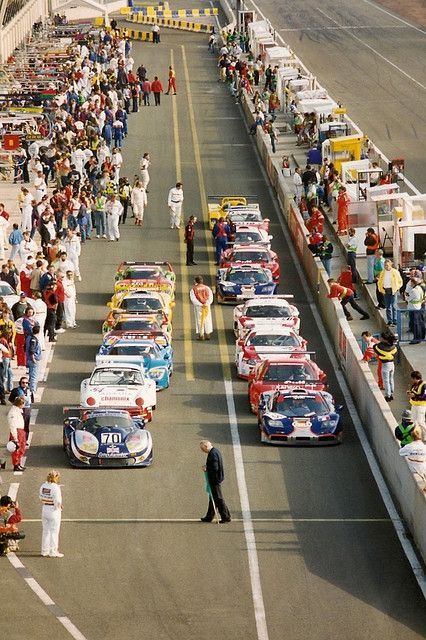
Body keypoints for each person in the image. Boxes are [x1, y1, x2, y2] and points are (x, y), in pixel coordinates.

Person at [199, 441, 231, 523]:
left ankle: (225, 516)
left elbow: (215, 468)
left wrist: (207, 469)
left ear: (206, 446)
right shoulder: (215, 451)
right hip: (216, 478)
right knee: (213, 497)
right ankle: (209, 516)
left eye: (203, 449)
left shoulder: (212, 454)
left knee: (218, 498)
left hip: (215, 479)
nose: (203, 451)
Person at [39, 470, 64, 557]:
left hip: (45, 508)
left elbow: (40, 497)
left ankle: (44, 550)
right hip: (53, 510)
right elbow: (57, 501)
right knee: (54, 531)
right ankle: (53, 551)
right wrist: (59, 507)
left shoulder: (43, 485)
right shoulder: (56, 487)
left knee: (46, 531)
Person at [377, 258, 403, 326]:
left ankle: (395, 320)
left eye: (387, 265)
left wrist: (397, 288)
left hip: (393, 290)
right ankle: (390, 320)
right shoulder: (383, 272)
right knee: (388, 306)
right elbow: (380, 281)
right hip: (385, 290)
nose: (386, 267)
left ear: (390, 265)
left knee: (394, 305)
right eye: (385, 265)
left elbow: (400, 281)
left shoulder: (395, 272)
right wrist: (381, 290)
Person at [399, 426, 426, 491]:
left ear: (411, 436)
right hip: (422, 465)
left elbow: (401, 452)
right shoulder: (424, 447)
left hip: (412, 466)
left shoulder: (409, 446)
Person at [373, 330, 397, 402]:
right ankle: (391, 394)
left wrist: (381, 343)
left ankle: (388, 396)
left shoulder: (379, 347)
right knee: (391, 380)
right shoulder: (393, 346)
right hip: (392, 364)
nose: (380, 338)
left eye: (381, 337)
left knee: (386, 381)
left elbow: (375, 347)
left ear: (384, 339)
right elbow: (394, 353)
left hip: (385, 365)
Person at [9, 377, 33, 442]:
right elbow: (10, 399)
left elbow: (32, 400)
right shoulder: (16, 390)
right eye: (23, 382)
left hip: (27, 409)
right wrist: (17, 405)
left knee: (26, 425)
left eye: (26, 383)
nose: (25, 384)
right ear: (20, 383)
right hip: (18, 410)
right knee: (15, 425)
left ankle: (25, 440)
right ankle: (14, 439)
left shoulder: (29, 390)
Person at [190, 276, 213, 340]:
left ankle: (201, 335)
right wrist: (206, 304)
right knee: (207, 319)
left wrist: (200, 304)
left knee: (200, 320)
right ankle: (208, 334)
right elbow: (210, 298)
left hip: (199, 307)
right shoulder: (207, 288)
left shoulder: (194, 289)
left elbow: (193, 299)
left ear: (196, 281)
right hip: (206, 307)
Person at [8, 396, 26, 471]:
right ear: (19, 404)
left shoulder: (18, 410)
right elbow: (12, 425)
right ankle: (16, 464)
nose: (24, 405)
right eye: (23, 404)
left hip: (21, 431)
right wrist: (15, 438)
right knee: (17, 449)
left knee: (22, 448)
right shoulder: (13, 412)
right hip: (17, 432)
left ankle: (18, 463)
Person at [407, 371, 426, 439]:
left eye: (412, 378)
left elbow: (424, 396)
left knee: (420, 422)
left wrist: (414, 396)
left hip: (421, 406)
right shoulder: (415, 384)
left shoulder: (424, 385)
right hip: (414, 405)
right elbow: (413, 391)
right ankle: (416, 435)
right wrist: (410, 393)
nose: (412, 380)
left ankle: (425, 436)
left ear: (415, 378)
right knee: (413, 421)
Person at [406, 277, 425, 344]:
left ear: (413, 283)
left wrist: (406, 296)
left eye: (411, 282)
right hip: (418, 307)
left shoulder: (413, 290)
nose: (410, 283)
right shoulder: (419, 288)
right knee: (420, 323)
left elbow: (408, 299)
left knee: (416, 324)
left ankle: (416, 339)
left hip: (413, 308)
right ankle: (421, 336)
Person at [26, 324, 42, 393]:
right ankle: (32, 391)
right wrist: (33, 359)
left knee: (31, 374)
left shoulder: (29, 337)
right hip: (33, 359)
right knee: (34, 376)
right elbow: (32, 350)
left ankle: (30, 389)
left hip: (29, 359)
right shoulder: (34, 339)